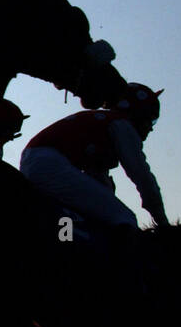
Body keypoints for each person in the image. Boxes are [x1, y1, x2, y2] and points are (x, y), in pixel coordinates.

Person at [20, 83, 169, 231]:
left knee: (92, 217)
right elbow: (141, 175)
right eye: (151, 119)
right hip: (49, 163)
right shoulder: (122, 125)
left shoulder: (103, 122)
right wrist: (162, 221)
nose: (150, 127)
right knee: (124, 218)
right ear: (139, 113)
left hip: (34, 161)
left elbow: (97, 177)